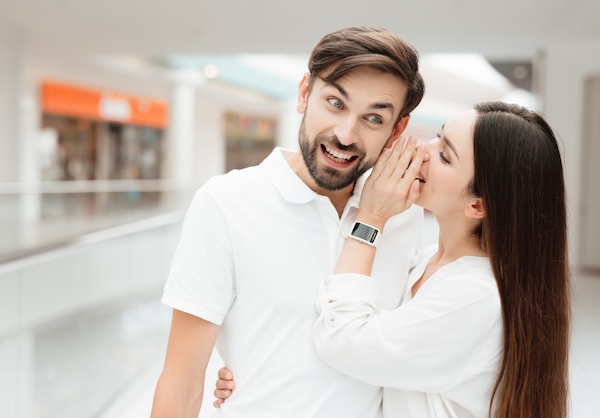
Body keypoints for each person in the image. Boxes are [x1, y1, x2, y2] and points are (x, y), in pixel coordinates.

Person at [213, 102, 571, 417]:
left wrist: (369, 220)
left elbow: (343, 340)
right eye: (437, 136)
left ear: (477, 204)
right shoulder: (430, 260)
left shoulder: (475, 296)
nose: (423, 151)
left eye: (446, 155)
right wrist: (258, 372)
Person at [150, 26, 426, 417]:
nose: (346, 134)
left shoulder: (403, 217)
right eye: (334, 103)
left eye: (373, 119)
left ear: (397, 129)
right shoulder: (227, 203)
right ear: (303, 93)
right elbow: (182, 382)